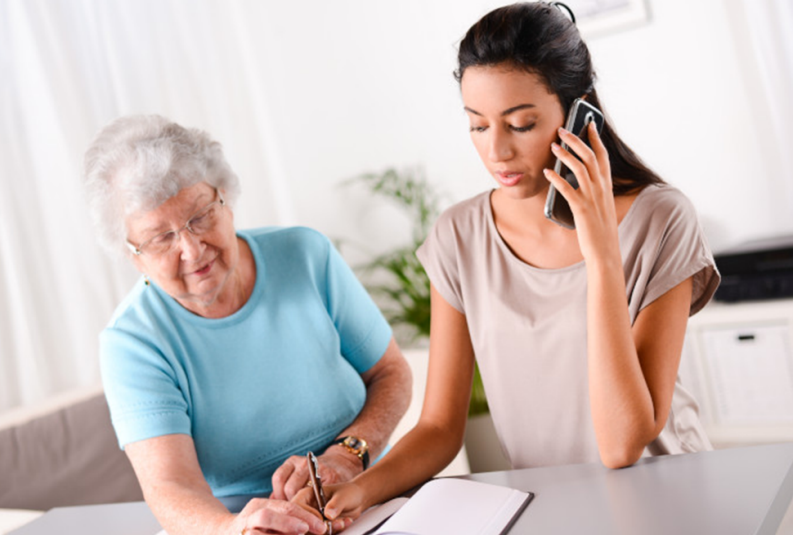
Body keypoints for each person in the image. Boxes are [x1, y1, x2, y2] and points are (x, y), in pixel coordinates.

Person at [295, 1, 720, 523]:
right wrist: (359, 491)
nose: (496, 151)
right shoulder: (458, 236)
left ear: (579, 112)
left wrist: (602, 255)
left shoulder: (661, 218)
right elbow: (439, 428)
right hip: (549, 512)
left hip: (669, 505)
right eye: (477, 126)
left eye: (520, 124)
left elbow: (622, 444)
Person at [82, 114, 412, 535]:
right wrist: (236, 529)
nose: (191, 249)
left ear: (226, 198)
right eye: (160, 238)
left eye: (200, 216)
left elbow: (391, 372)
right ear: (133, 255)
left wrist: (347, 456)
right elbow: (170, 486)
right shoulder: (132, 342)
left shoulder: (306, 255)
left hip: (372, 500)